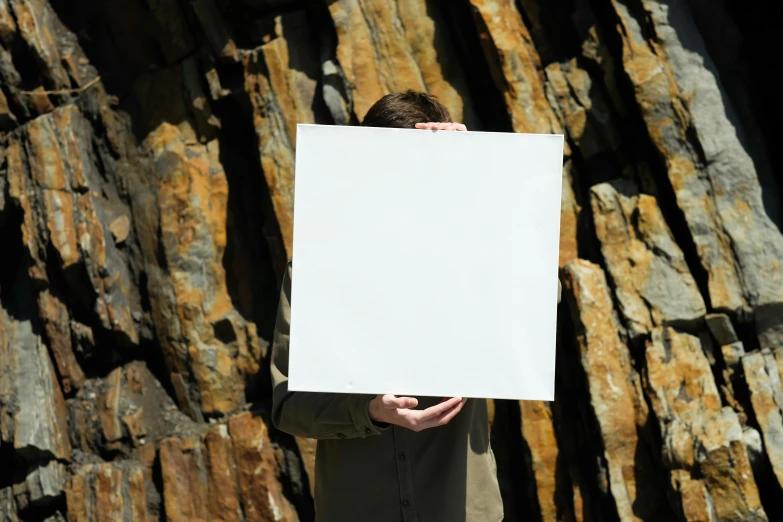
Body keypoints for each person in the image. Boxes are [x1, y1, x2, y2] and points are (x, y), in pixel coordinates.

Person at [271, 91, 561, 522]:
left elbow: (540, 297)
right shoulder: (319, 266)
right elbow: (287, 404)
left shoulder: (476, 254)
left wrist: (471, 186)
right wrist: (369, 411)